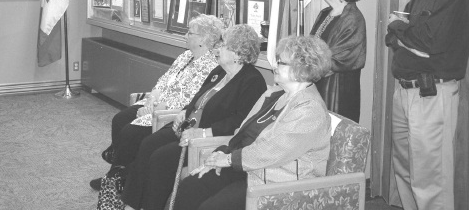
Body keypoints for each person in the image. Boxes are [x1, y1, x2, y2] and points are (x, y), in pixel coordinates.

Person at [172, 35, 332, 210]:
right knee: (192, 187)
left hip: (277, 181)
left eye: (281, 63)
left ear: (303, 68)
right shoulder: (273, 94)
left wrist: (228, 160)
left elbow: (272, 151)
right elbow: (242, 132)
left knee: (212, 207)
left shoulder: (310, 110)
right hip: (247, 168)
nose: (274, 66)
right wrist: (219, 154)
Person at [121, 24, 267, 210]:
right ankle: (132, 205)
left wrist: (202, 133)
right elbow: (198, 98)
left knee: (161, 158)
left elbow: (240, 122)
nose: (217, 47)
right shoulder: (219, 72)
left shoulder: (252, 82)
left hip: (206, 140)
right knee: (148, 144)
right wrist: (184, 112)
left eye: (223, 44)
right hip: (188, 129)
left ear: (238, 53)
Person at [385, 0, 469, 210]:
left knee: (430, 180)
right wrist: (403, 33)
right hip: (405, 92)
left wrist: (400, 27)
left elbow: (427, 44)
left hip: (432, 96)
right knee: (405, 170)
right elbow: (394, 38)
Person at [90, 14, 223, 190]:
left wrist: (154, 109)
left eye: (190, 33)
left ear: (203, 40)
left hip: (168, 112)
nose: (185, 36)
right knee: (119, 120)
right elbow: (164, 80)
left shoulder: (210, 67)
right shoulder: (185, 56)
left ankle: (121, 176)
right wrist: (151, 99)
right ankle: (118, 173)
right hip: (156, 102)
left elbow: (189, 99)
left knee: (130, 132)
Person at [309, 0, 366, 123]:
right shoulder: (325, 13)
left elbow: (336, 61)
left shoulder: (353, 19)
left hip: (337, 96)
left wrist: (302, 68)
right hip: (316, 90)